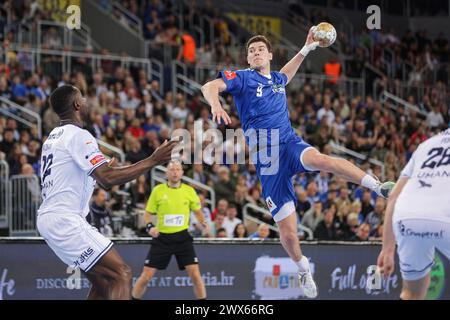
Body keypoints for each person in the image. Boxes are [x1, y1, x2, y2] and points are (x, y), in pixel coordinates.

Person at [201, 29, 395, 298]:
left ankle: (378, 186)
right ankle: (303, 267)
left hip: (290, 144)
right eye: (251, 51)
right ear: (248, 59)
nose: (256, 52)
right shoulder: (243, 78)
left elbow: (287, 75)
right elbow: (209, 86)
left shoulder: (278, 79)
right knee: (290, 236)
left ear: (269, 55)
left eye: (260, 49)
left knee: (321, 159)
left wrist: (306, 49)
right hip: (267, 160)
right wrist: (215, 104)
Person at [37, 85, 177, 300]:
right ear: (76, 105)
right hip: (65, 220)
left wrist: (106, 172)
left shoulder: (54, 137)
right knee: (122, 274)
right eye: (82, 98)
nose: (86, 102)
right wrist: (153, 160)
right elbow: (107, 179)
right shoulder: (79, 135)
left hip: (52, 218)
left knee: (103, 283)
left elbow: (93, 178)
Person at [377, 129, 450, 300]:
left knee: (412, 293)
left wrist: (387, 249)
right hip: (445, 214)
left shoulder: (427, 144)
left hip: (408, 216)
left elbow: (394, 195)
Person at [132, 160, 207, 300]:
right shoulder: (158, 190)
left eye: (178, 169)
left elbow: (197, 211)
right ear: (166, 173)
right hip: (162, 238)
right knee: (146, 277)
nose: (175, 172)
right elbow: (147, 215)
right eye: (172, 169)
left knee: (196, 276)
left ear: (182, 173)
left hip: (183, 238)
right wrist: (150, 227)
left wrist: (203, 221)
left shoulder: (189, 191)